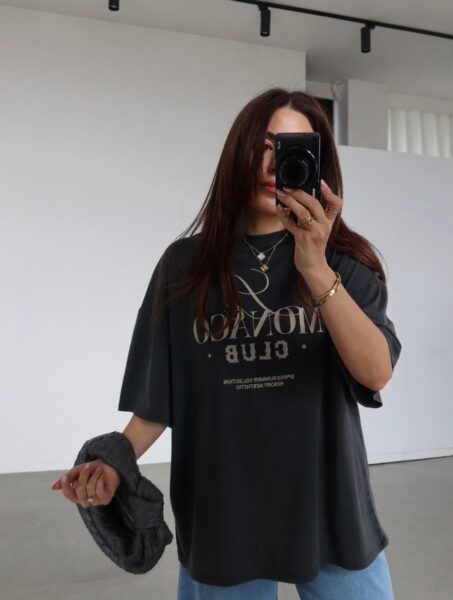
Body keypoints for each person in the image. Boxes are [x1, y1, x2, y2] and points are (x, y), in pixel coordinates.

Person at [51, 87, 402, 599]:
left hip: (331, 505)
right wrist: (113, 462)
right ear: (237, 152)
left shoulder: (345, 262)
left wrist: (313, 264)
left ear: (319, 165)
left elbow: (375, 372)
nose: (272, 164)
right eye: (262, 146)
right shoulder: (184, 267)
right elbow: (159, 401)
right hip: (222, 511)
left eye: (291, 150)